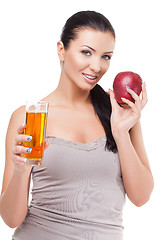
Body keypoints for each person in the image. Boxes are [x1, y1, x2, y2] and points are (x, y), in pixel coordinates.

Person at [0, 10, 154, 240]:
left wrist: (121, 133)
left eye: (106, 56)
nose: (96, 66)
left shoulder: (119, 114)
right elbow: (11, 219)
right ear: (61, 50)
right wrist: (21, 172)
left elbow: (141, 197)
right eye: (86, 53)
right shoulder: (31, 116)